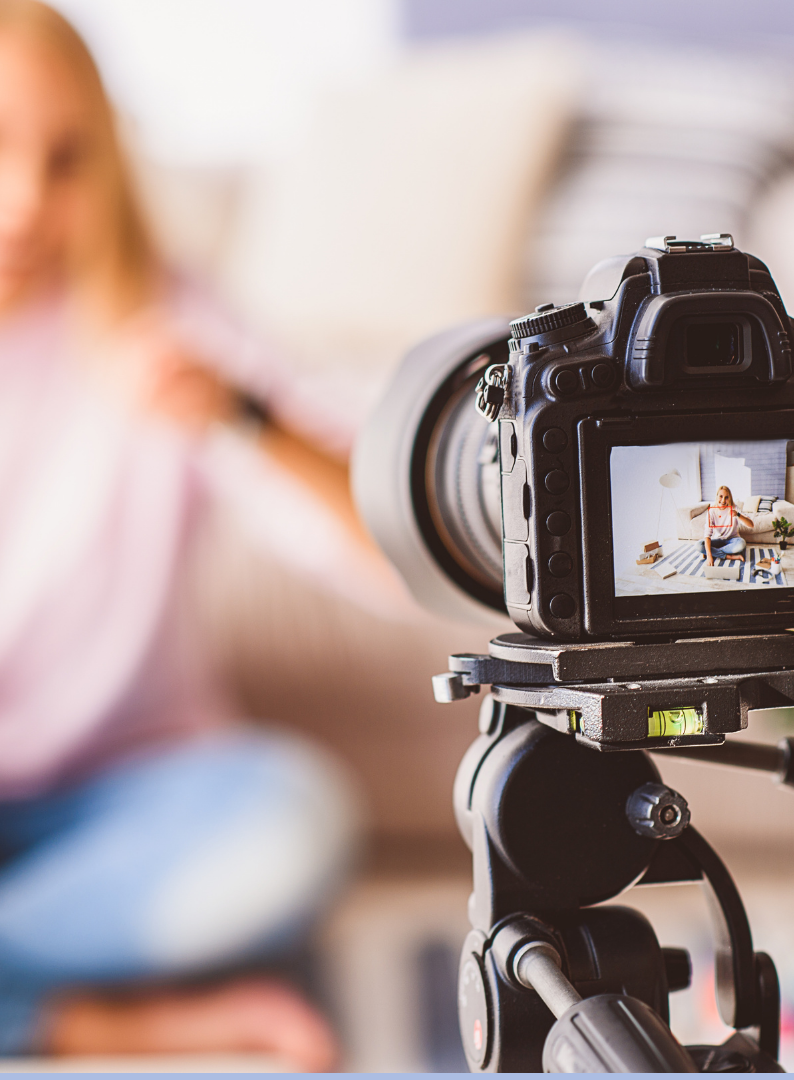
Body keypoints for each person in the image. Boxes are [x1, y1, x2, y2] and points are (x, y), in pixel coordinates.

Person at [0, 1, 407, 1067]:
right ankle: (83, 1018)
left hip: (135, 801)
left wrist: (242, 419)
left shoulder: (160, 325)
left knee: (290, 823)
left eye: (67, 159)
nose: (26, 201)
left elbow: (392, 560)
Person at [702, 485, 752, 566]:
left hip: (733, 540)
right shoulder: (712, 511)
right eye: (721, 496)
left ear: (730, 498)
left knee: (742, 544)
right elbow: (707, 535)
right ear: (717, 496)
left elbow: (751, 525)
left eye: (726, 497)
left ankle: (714, 552)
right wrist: (709, 555)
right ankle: (729, 556)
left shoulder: (734, 508)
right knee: (699, 546)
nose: (723, 500)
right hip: (718, 540)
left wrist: (738, 515)